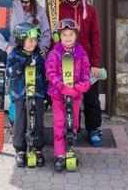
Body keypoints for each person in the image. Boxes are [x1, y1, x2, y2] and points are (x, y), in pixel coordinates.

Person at [0, 0, 51, 129]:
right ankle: (16, 124)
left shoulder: (39, 10)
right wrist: (6, 47)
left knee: (33, 91)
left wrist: (43, 47)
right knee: (15, 92)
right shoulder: (8, 8)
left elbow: (46, 32)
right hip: (16, 56)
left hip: (33, 56)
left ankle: (32, 125)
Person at [57, 0, 103, 146]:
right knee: (70, 99)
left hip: (86, 62)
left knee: (91, 99)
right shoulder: (59, 10)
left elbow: (95, 38)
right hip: (66, 62)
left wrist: (95, 63)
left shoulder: (90, 10)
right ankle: (72, 129)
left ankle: (93, 129)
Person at [45, 19, 91, 171]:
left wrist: (78, 87)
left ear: (76, 35)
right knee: (60, 123)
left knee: (73, 124)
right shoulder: (55, 52)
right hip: (58, 95)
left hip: (75, 95)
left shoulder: (81, 53)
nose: (68, 37)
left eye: (71, 34)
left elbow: (86, 75)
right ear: (59, 36)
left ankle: (70, 149)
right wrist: (63, 88)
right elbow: (50, 73)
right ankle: (59, 154)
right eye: (64, 34)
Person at [7, 22, 46, 167]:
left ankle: (37, 148)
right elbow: (9, 73)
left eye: (35, 40)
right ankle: (20, 149)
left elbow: (44, 72)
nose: (33, 43)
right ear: (21, 40)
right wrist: (22, 64)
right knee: (21, 121)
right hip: (20, 94)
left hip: (37, 93)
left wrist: (45, 93)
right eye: (30, 40)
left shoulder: (38, 54)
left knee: (38, 121)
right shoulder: (14, 54)